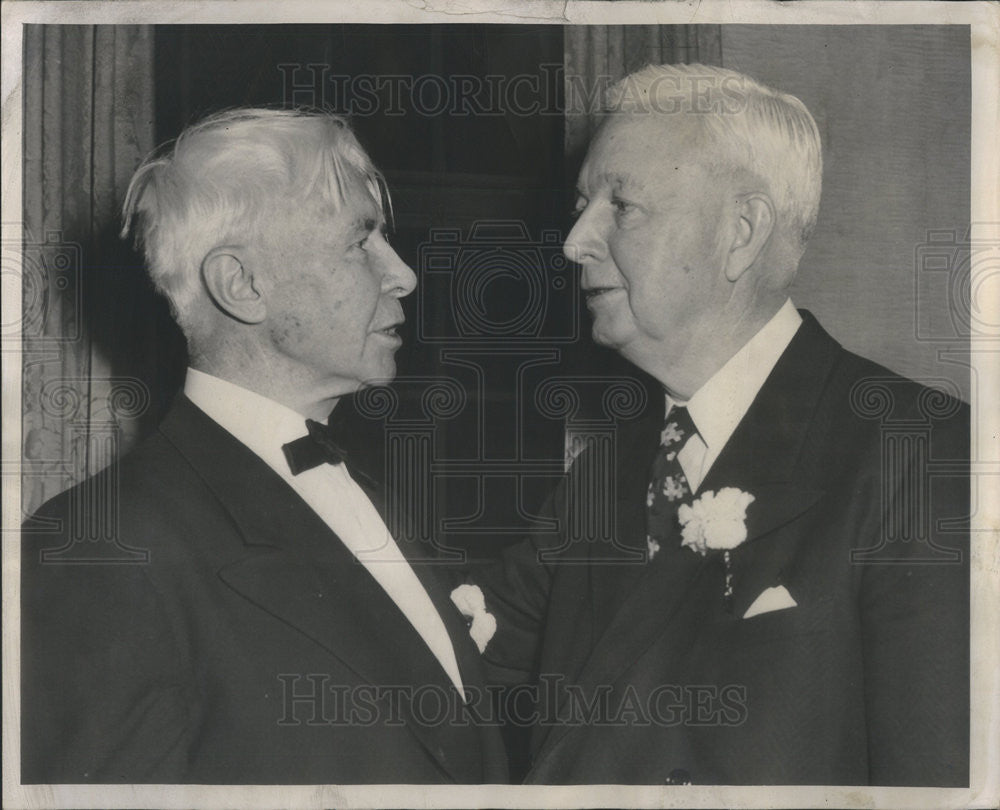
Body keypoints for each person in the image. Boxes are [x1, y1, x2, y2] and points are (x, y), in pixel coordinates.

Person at [470, 64, 969, 786]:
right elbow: (454, 652)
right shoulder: (604, 475)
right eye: (582, 205)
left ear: (740, 233)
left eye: (622, 206)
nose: (574, 241)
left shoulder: (919, 457)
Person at [21, 108, 508, 784]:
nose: (403, 275)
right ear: (242, 285)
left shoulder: (373, 498)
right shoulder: (98, 547)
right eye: (359, 242)